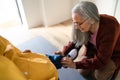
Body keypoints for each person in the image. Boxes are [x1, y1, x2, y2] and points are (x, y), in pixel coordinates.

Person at [57, 1, 120, 80]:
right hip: (93, 51)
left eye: (79, 23)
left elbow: (101, 60)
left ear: (92, 20)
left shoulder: (110, 27)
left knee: (100, 76)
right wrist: (63, 52)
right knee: (82, 72)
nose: (76, 27)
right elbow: (76, 41)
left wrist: (75, 65)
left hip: (112, 55)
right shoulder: (83, 24)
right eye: (74, 23)